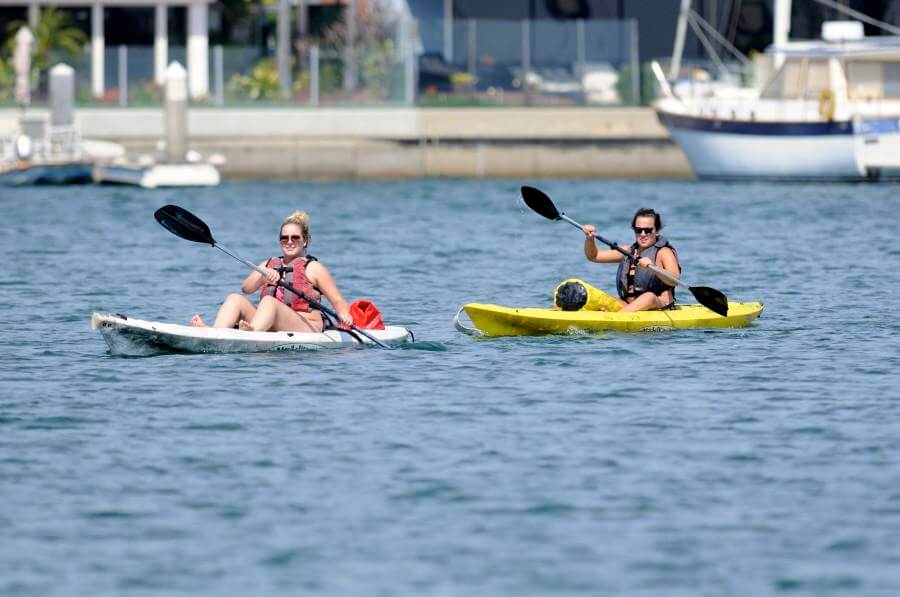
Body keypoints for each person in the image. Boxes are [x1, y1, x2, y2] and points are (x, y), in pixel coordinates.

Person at [192, 211, 352, 332]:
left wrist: (345, 315)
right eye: (285, 238)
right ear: (279, 241)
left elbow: (338, 301)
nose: (289, 242)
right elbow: (246, 289)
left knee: (269, 302)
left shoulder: (314, 268)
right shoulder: (269, 264)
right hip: (271, 324)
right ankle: (215, 332)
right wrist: (263, 275)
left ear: (306, 241)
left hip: (307, 326)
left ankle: (251, 333)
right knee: (234, 298)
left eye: (295, 238)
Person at [581, 207, 681, 313]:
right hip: (628, 306)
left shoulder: (664, 252)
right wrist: (589, 238)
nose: (643, 234)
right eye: (639, 230)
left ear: (656, 230)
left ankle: (616, 320)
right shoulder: (628, 251)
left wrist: (653, 268)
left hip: (659, 306)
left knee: (648, 297)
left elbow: (674, 280)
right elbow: (594, 256)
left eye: (648, 230)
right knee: (603, 299)